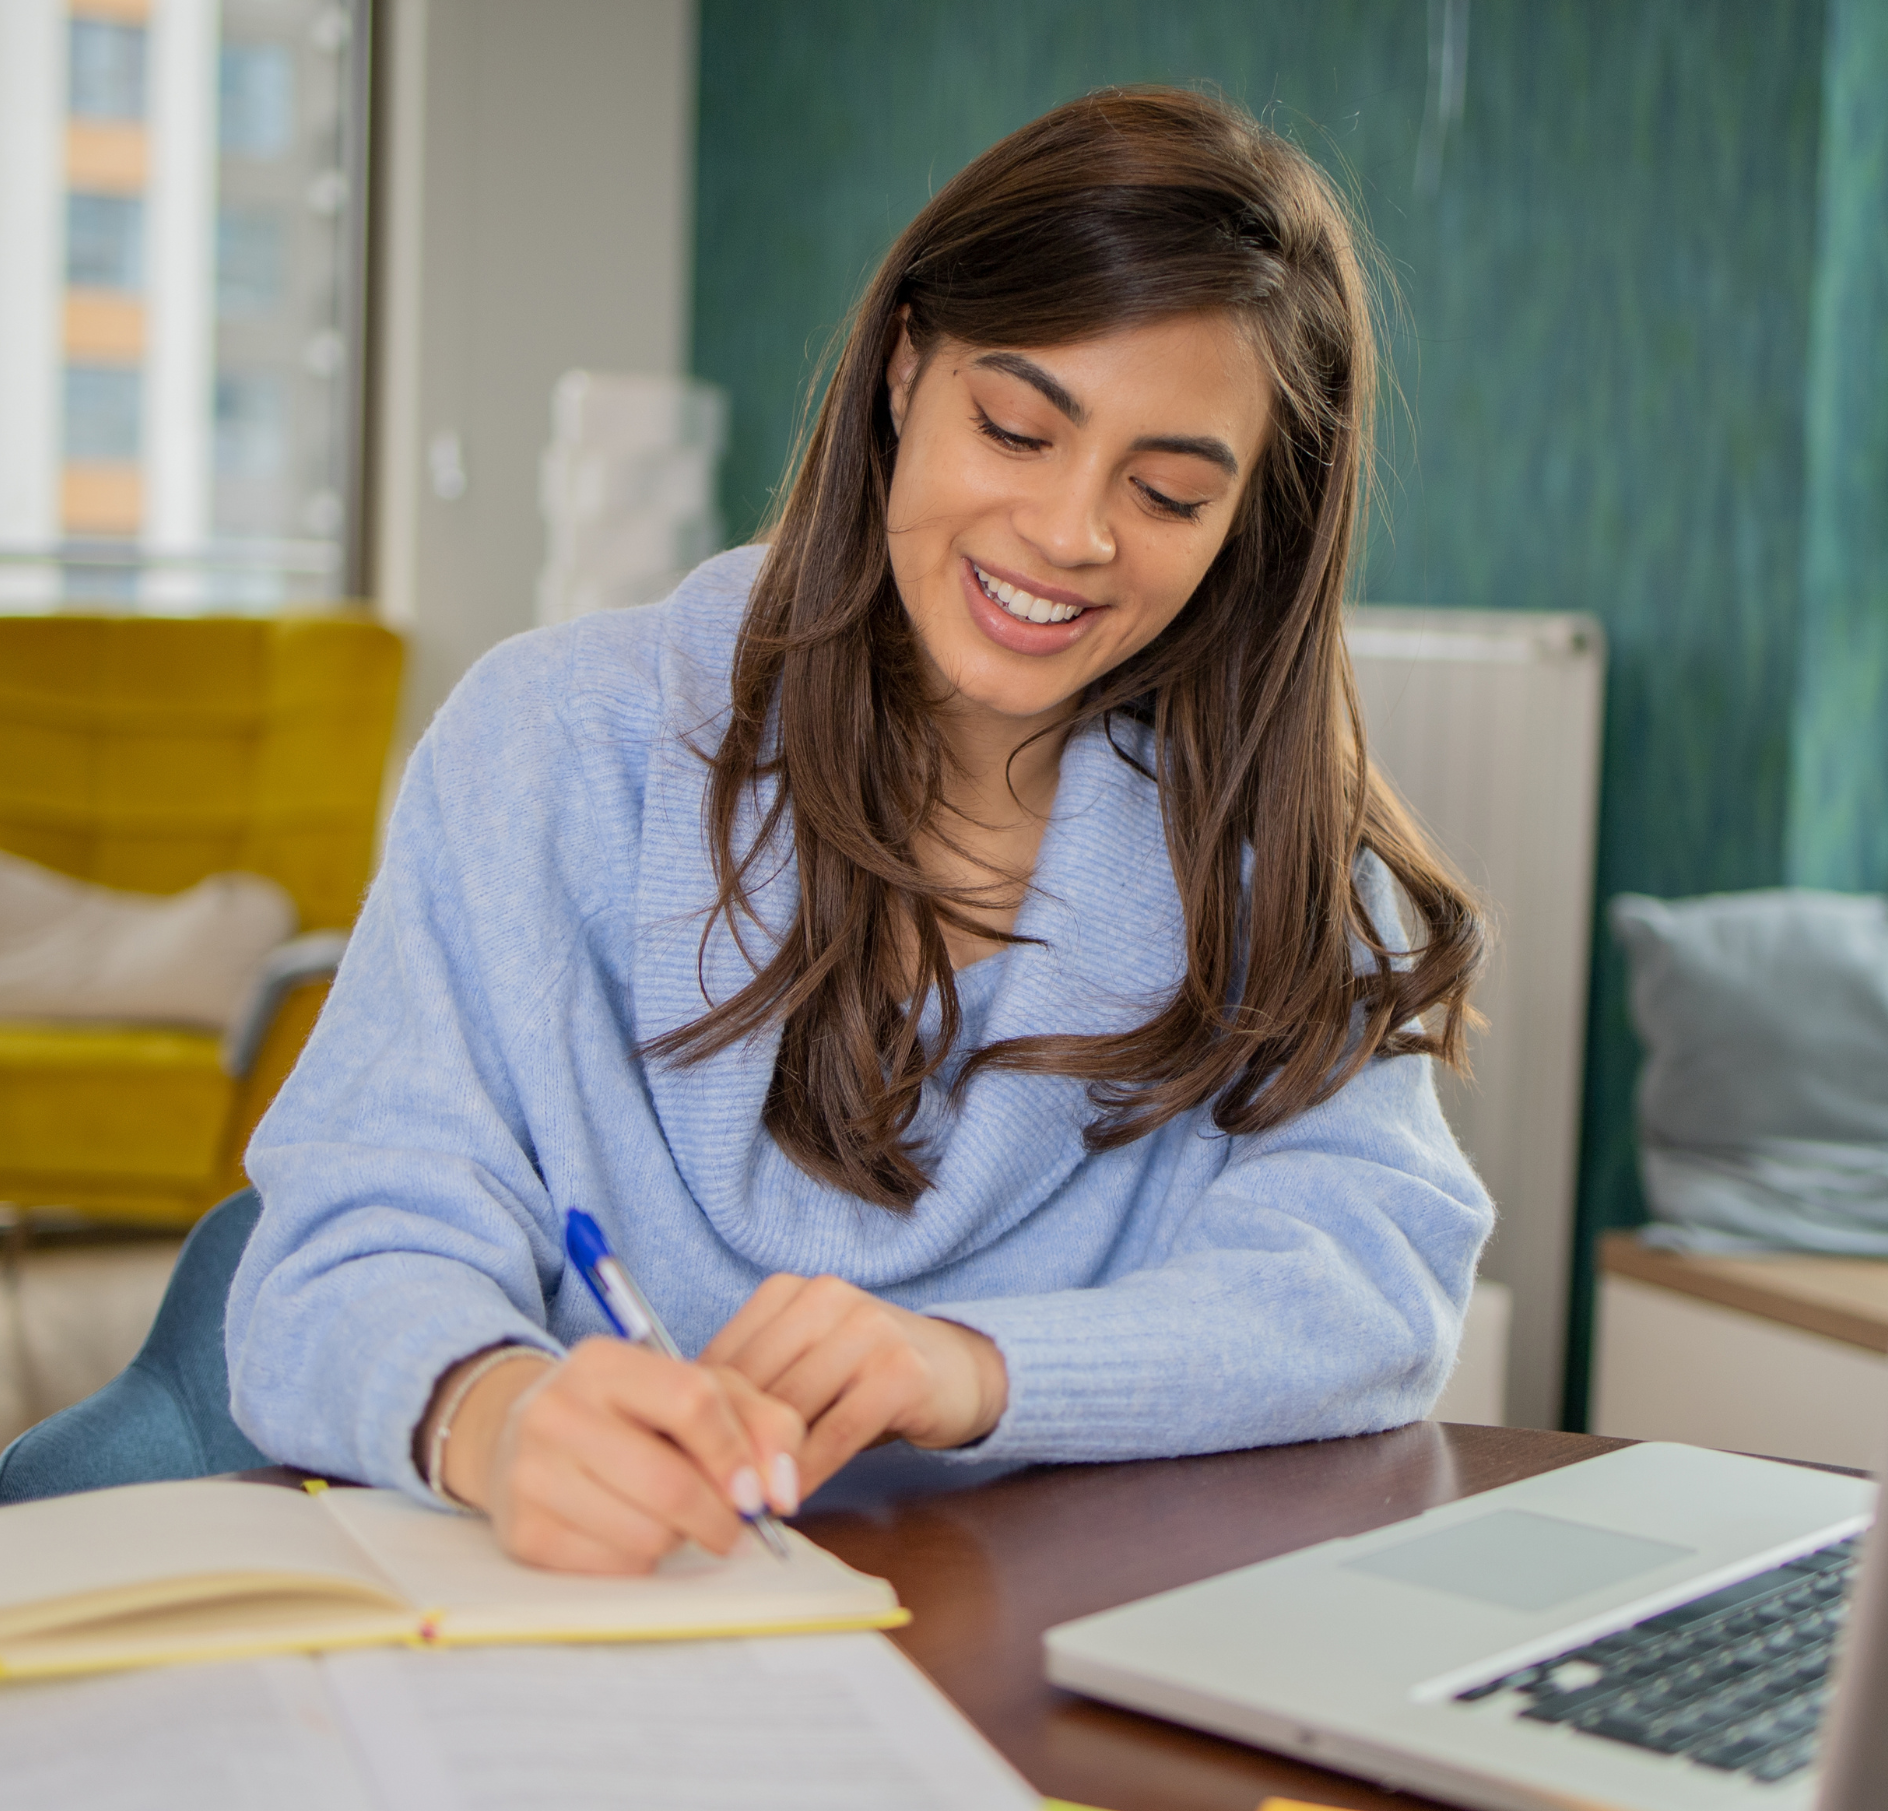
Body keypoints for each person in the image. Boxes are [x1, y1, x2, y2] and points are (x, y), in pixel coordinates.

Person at [223, 87, 1492, 1575]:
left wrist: (970, 1365)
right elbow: (338, 1252)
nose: (1071, 532)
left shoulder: (1277, 865)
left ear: (1244, 526)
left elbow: (1373, 1280)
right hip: (589, 1640)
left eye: (1164, 491)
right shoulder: (551, 748)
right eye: (1017, 428)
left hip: (1036, 1657)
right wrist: (490, 1414)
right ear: (904, 369)